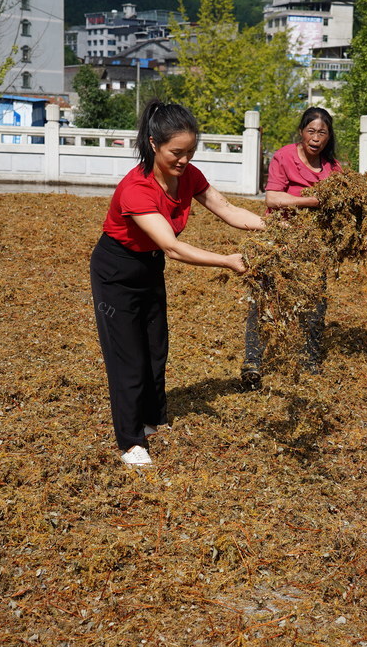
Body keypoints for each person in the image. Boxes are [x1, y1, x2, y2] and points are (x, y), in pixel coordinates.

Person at [91, 100, 265, 466]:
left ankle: (153, 420)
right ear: (153, 144)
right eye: (176, 152)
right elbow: (172, 246)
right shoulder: (136, 189)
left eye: (190, 151)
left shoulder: (189, 176)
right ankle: (130, 441)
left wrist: (276, 230)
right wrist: (229, 261)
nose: (184, 160)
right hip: (116, 271)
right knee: (128, 358)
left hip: (149, 266)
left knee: (155, 348)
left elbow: (229, 210)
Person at [241, 107, 341, 390]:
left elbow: (339, 203)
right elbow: (272, 198)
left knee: (315, 301)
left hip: (314, 243)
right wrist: (314, 201)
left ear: (328, 136)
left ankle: (309, 361)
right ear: (302, 131)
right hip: (280, 238)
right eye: (311, 131)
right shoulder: (284, 156)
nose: (316, 137)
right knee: (265, 297)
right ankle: (253, 362)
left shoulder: (333, 168)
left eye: (322, 132)